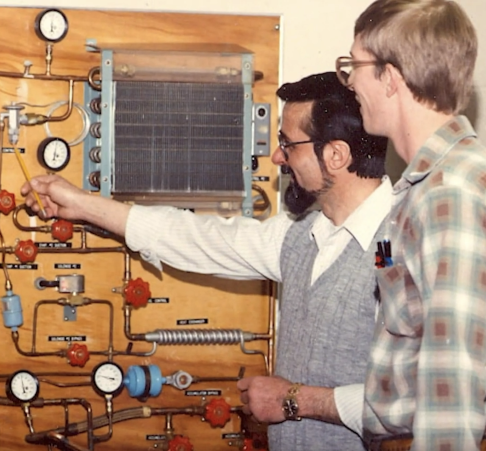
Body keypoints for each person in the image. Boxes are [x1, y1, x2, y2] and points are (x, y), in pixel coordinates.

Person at [22, 72, 390, 450]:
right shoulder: (301, 235)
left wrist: (294, 401)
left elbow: (412, 401)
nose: (277, 156)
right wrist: (83, 205)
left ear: (336, 155)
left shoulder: (404, 245)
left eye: (287, 144)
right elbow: (198, 239)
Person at [338, 1, 486, 449]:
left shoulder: (450, 192)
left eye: (354, 65)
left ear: (391, 78)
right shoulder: (423, 187)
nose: (351, 81)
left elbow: (450, 379)